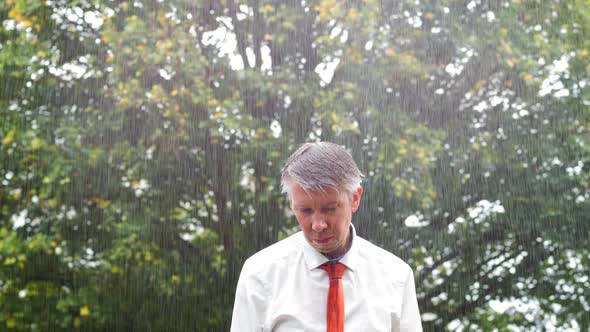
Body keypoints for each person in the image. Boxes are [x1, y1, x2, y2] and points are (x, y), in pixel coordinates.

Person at [230, 142, 422, 331]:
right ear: (291, 204)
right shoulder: (260, 275)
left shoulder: (396, 276)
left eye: (330, 209)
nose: (318, 225)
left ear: (355, 199)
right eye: (305, 210)